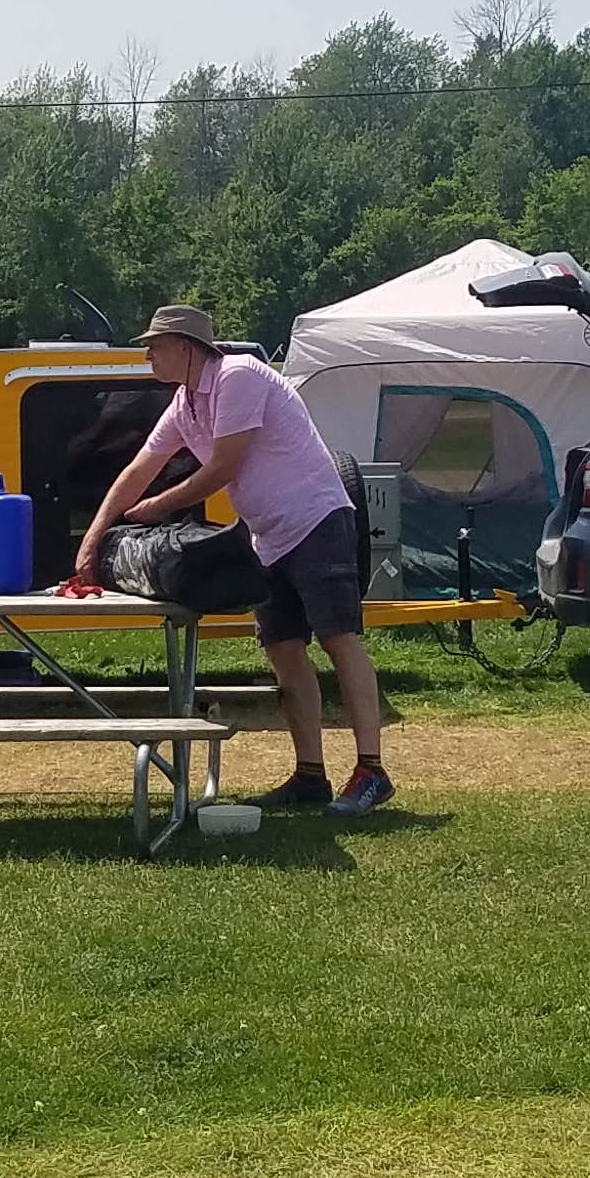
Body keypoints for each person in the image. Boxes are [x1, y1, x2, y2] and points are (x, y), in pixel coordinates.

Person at [72, 304, 391, 815]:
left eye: (154, 345)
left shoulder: (237, 376)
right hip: (267, 536)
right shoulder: (184, 403)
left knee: (338, 639)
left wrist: (155, 507)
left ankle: (371, 771)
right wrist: (92, 541)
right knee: (284, 649)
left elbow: (223, 467)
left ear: (185, 347)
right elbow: (138, 468)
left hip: (317, 519)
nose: (147, 353)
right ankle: (310, 776)